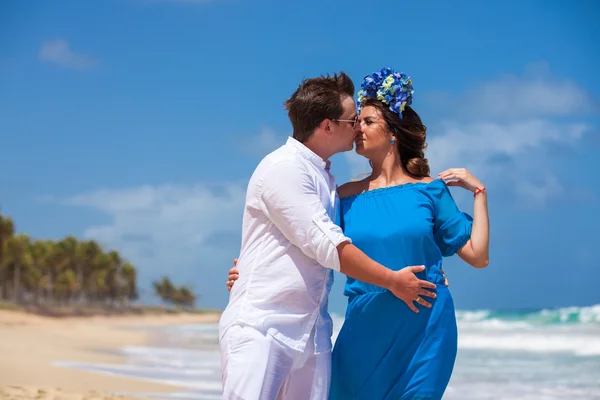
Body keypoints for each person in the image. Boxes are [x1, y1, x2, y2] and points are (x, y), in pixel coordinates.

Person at [226, 68, 490, 400]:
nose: (357, 129)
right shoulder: (341, 195)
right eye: (356, 121)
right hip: (365, 324)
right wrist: (248, 271)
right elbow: (307, 239)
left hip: (424, 326)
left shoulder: (431, 191)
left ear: (393, 133)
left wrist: (479, 192)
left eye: (366, 122)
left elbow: (478, 256)